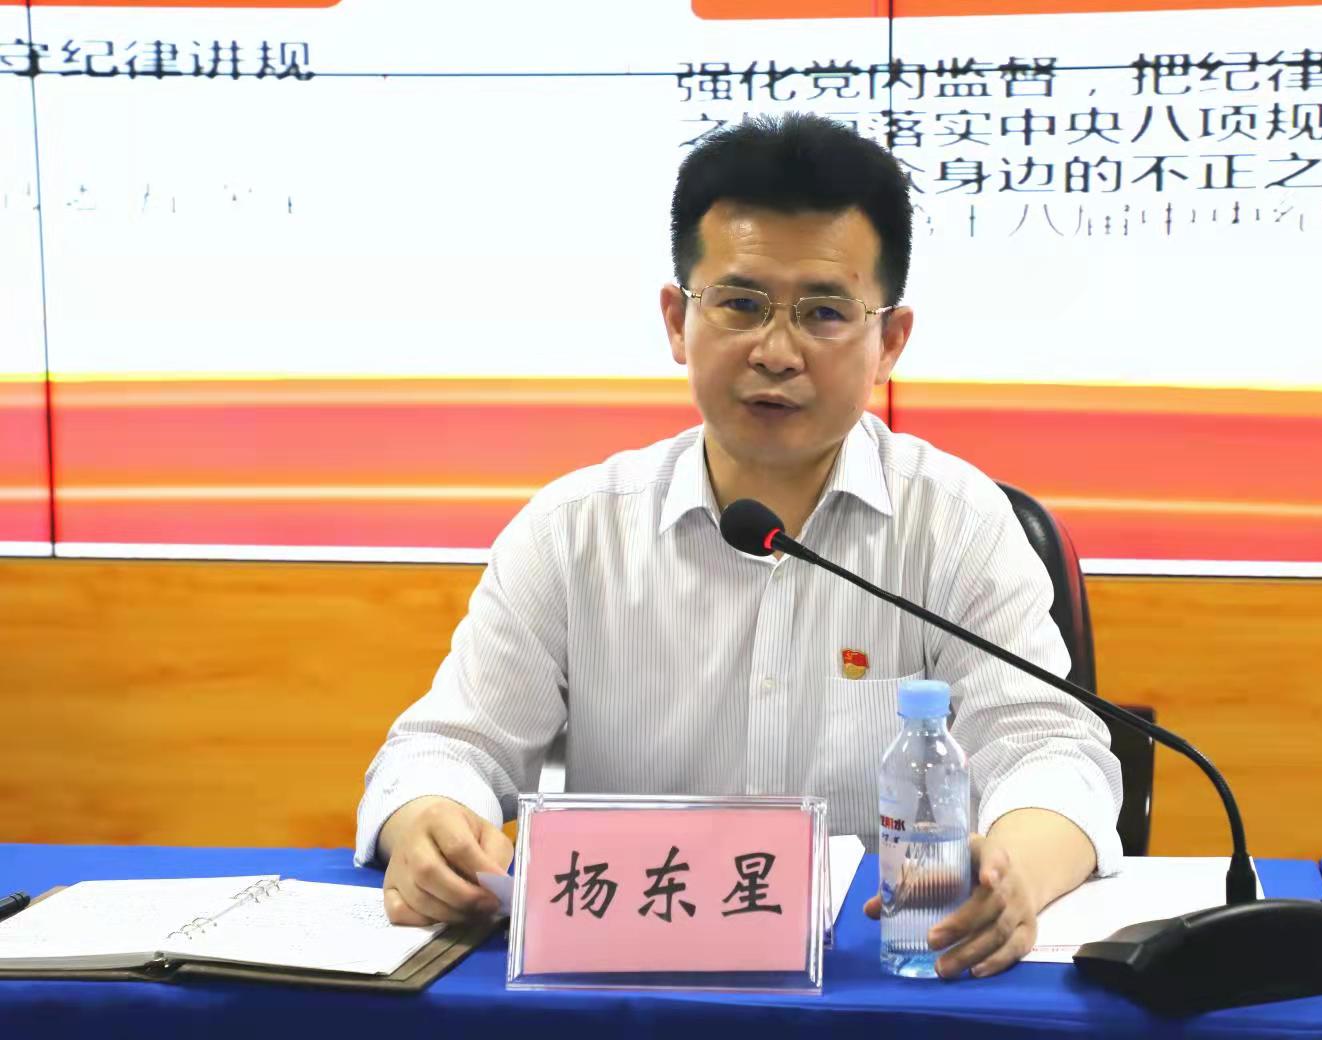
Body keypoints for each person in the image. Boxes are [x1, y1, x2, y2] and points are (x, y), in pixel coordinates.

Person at [356, 113, 1122, 980]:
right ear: (677, 321)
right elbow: (444, 747)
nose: (776, 351)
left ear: (889, 343)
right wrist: (428, 819)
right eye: (742, 305)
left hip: (885, 976)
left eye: (824, 312)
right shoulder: (574, 530)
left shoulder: (958, 525)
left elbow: (1054, 756)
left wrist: (1013, 874)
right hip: (632, 982)